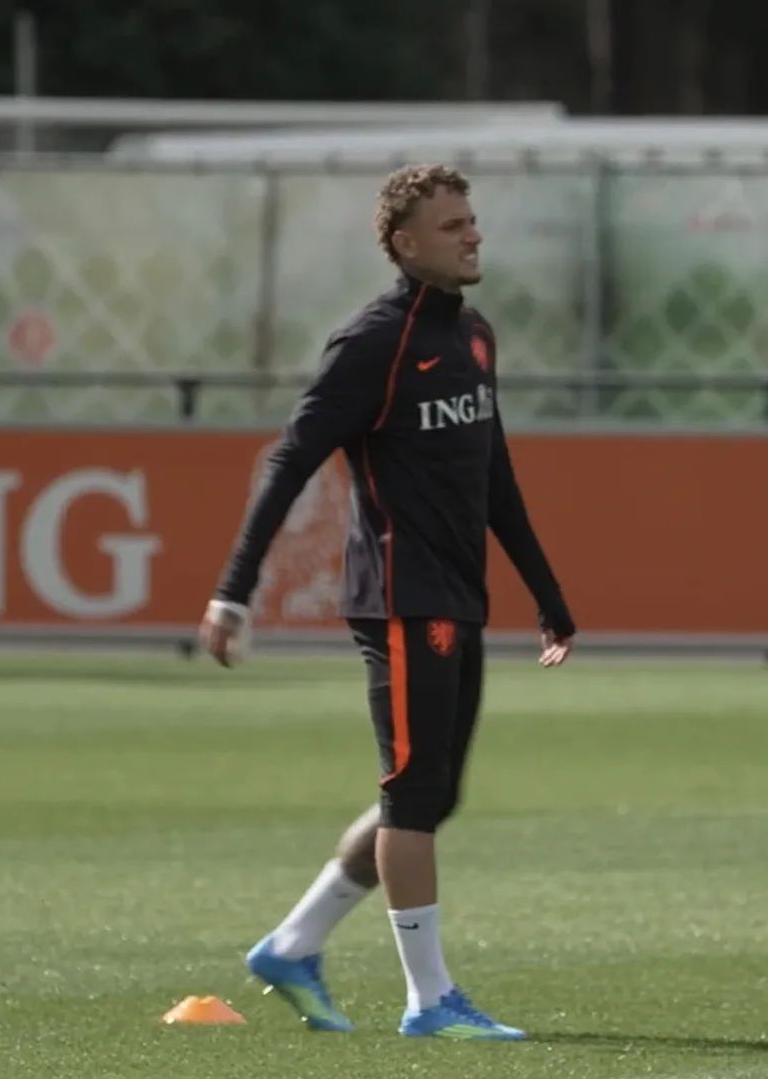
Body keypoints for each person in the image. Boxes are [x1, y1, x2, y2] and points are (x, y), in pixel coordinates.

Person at [199, 163, 577, 1041]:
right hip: (404, 600)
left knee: (435, 796)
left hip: (459, 596)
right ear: (406, 245)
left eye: (473, 220)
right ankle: (430, 1000)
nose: (472, 234)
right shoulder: (373, 342)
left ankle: (294, 944)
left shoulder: (475, 336)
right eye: (453, 226)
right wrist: (234, 589)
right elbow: (291, 460)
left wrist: (547, 594)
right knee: (413, 798)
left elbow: (496, 478)